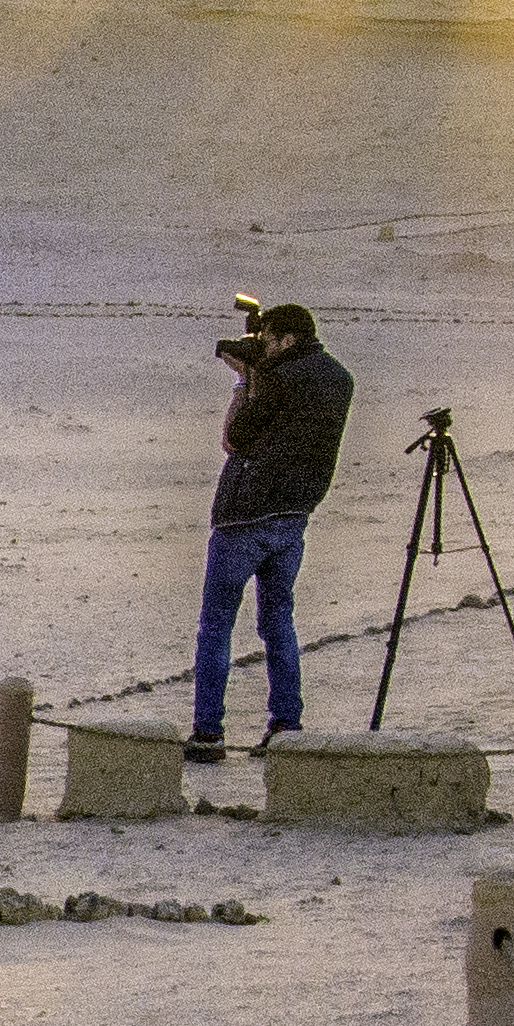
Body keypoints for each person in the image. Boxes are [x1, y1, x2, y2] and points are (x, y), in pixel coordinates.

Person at [189, 299, 352, 756]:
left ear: (286, 339)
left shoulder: (277, 378)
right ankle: (286, 725)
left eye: (267, 340)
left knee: (217, 624)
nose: (263, 347)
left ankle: (208, 733)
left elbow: (234, 438)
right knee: (279, 621)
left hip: (246, 513)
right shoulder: (339, 377)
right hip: (294, 513)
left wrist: (245, 380)